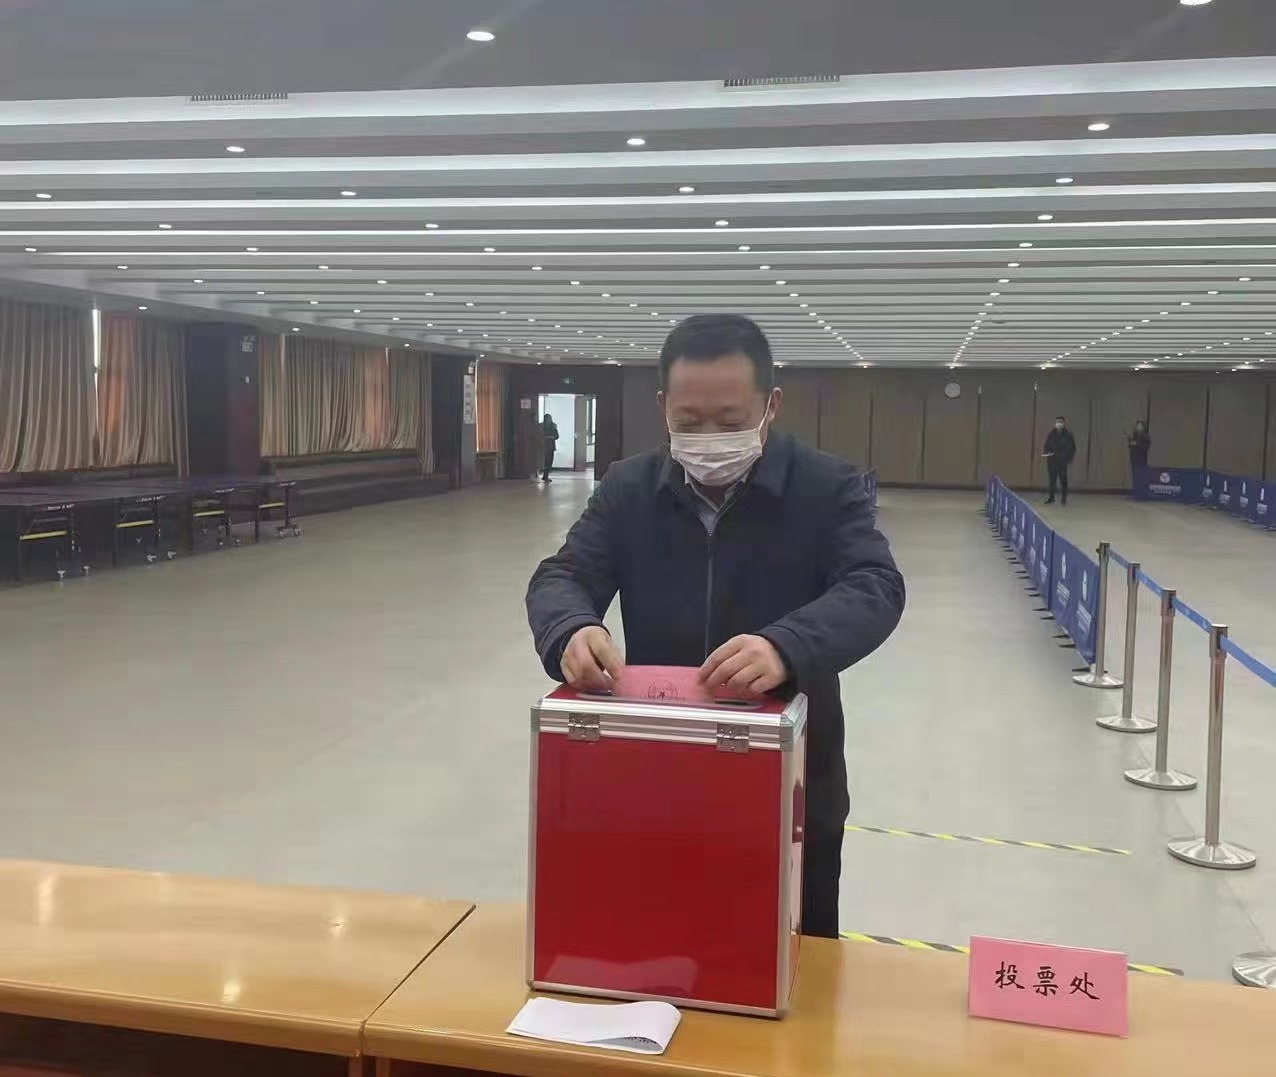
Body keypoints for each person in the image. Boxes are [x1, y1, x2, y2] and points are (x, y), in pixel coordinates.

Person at [525, 313, 906, 939]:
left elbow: (875, 585)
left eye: (730, 423)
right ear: (662, 408)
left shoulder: (825, 487)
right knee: (663, 940)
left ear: (770, 405)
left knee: (792, 955)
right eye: (689, 421)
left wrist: (785, 646)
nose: (708, 439)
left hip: (791, 778)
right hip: (661, 766)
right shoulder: (629, 488)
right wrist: (570, 628)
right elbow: (562, 574)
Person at [1042, 416, 1077, 505]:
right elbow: (1047, 445)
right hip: (1052, 461)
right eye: (1057, 422)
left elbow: (1071, 448)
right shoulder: (1051, 434)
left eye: (1060, 422)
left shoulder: (1068, 435)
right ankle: (1051, 498)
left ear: (1063, 424)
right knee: (1052, 480)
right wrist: (1047, 452)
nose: (1059, 424)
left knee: (1063, 480)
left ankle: (1063, 499)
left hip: (1062, 461)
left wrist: (1066, 458)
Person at [539, 414, 559, 483]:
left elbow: (557, 436)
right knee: (545, 462)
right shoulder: (542, 426)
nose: (548, 420)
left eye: (549, 419)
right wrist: (546, 437)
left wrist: (551, 437)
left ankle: (545, 476)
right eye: (547, 419)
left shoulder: (553, 426)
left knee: (550, 462)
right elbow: (540, 435)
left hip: (551, 446)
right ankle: (545, 476)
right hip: (544, 446)